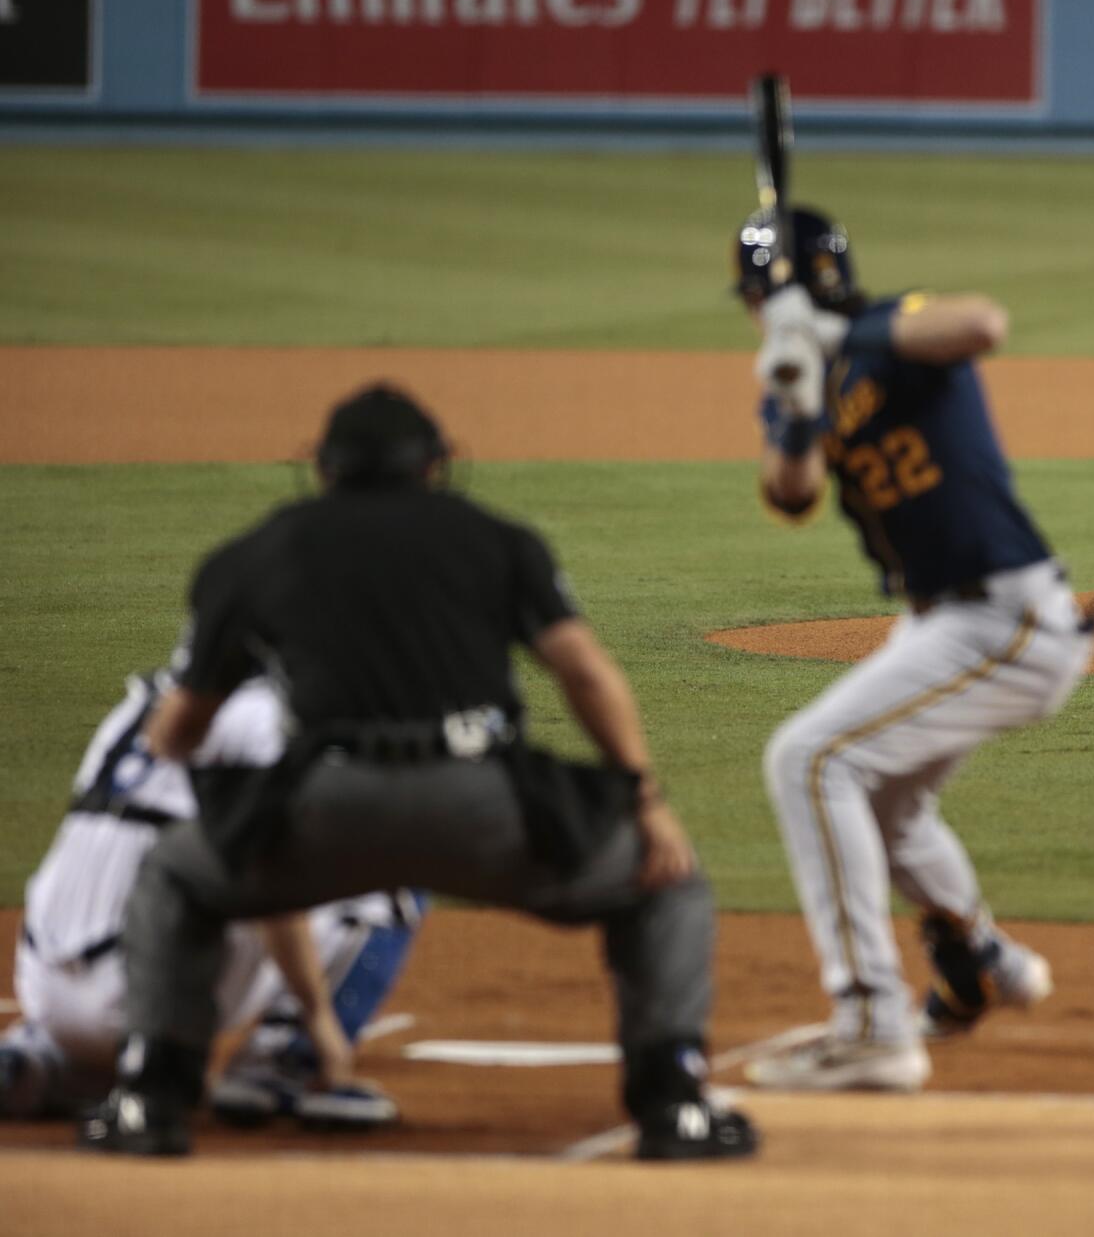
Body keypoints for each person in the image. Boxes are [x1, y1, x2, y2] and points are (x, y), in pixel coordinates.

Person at [75, 384, 755, 1160]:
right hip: (484, 805)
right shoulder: (496, 538)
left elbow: (181, 729)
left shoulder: (255, 551)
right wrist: (644, 796)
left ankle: (148, 1099)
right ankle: (675, 1102)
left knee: (175, 874)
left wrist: (228, 800)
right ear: (436, 465)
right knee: (667, 879)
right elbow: (588, 675)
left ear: (324, 469)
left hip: (322, 809)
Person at [736, 207, 1094, 1091]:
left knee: (811, 761)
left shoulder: (896, 330)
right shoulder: (801, 368)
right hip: (942, 624)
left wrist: (834, 330)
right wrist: (793, 405)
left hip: (1005, 618)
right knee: (888, 810)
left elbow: (984, 324)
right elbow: (792, 496)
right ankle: (984, 960)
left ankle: (870, 1024)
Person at [2, 670, 421, 1128]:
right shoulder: (264, 723)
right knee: (397, 861)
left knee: (156, 867)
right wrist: (319, 1021)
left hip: (42, 982)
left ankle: (42, 1059)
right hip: (139, 997)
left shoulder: (141, 706)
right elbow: (273, 892)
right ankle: (278, 1066)